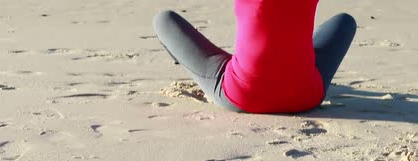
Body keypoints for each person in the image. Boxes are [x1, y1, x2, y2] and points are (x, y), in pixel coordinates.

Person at [153, 2, 357, 114]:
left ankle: (186, 62)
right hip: (306, 95)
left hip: (244, 96)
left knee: (163, 20)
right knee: (345, 22)